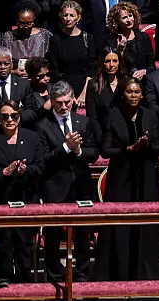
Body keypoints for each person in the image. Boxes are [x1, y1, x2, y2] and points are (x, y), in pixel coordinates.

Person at [95, 77, 159, 281]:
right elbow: (105, 150)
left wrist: (147, 145)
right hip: (121, 176)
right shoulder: (113, 116)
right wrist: (128, 149)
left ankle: (147, 273)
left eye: (136, 92)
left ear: (142, 95)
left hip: (147, 175)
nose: (133, 95)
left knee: (147, 223)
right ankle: (118, 273)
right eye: (129, 92)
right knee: (120, 223)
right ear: (123, 94)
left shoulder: (150, 116)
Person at [0, 99, 45, 285]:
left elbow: (40, 166)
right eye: (5, 116)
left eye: (14, 116)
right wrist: (2, 172)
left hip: (25, 197)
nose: (9, 120)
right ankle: (4, 280)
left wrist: (26, 170)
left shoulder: (32, 137)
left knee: (24, 243)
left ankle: (24, 281)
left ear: (19, 117)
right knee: (2, 243)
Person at [37, 81, 99, 281]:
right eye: (59, 103)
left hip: (81, 185)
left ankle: (81, 274)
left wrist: (77, 151)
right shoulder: (42, 125)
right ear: (52, 102)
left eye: (67, 102)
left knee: (83, 232)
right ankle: (55, 275)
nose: (64, 107)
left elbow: (94, 153)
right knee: (54, 234)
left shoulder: (83, 122)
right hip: (55, 186)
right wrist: (65, 147)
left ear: (73, 99)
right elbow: (43, 159)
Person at [48, 0, 97, 98]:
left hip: (85, 86)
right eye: (65, 15)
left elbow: (91, 68)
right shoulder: (55, 39)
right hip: (64, 88)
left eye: (72, 15)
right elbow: (55, 69)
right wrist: (69, 95)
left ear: (78, 17)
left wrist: (84, 93)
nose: (68, 19)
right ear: (61, 17)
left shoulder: (88, 38)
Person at [0, 4, 53, 73]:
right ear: (16, 21)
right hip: (15, 78)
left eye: (29, 23)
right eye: (22, 23)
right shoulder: (7, 37)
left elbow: (53, 61)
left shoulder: (44, 36)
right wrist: (13, 72)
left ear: (34, 20)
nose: (26, 26)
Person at [106, 1, 153, 78]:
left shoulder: (144, 37)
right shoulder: (111, 40)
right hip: (121, 80)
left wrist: (144, 71)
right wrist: (120, 50)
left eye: (130, 16)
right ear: (116, 21)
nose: (129, 20)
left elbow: (151, 65)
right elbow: (111, 67)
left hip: (143, 81)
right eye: (124, 17)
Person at [84, 47, 125, 133]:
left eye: (115, 61)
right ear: (102, 63)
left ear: (119, 62)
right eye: (107, 61)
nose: (111, 65)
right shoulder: (93, 85)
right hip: (102, 135)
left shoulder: (125, 83)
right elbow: (92, 118)